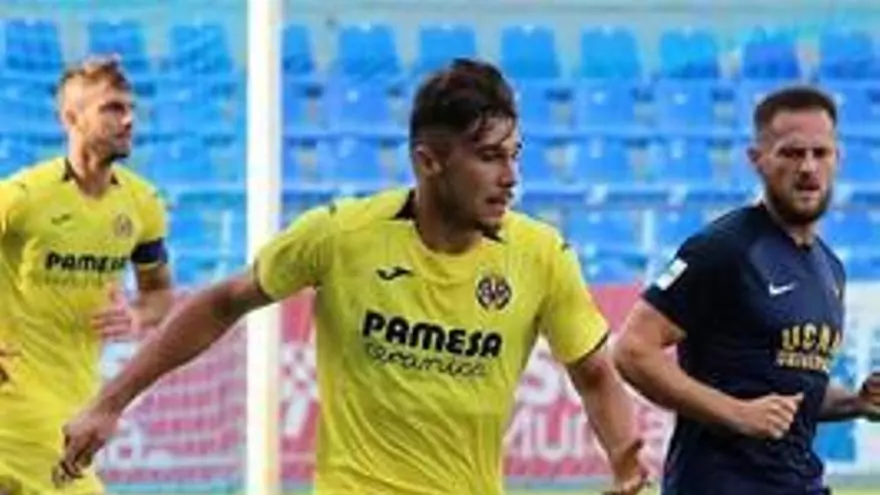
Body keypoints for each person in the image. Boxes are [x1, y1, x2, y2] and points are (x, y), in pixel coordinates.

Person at [56, 58, 649, 494]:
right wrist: (110, 403)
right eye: (489, 157)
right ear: (429, 161)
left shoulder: (541, 255)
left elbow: (595, 374)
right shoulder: (342, 236)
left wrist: (627, 467)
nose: (511, 177)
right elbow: (222, 302)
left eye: (514, 154)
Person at [612, 85, 880, 494]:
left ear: (837, 159)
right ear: (757, 160)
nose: (808, 167)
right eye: (791, 153)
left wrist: (854, 403)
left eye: (820, 153)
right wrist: (736, 413)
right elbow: (632, 350)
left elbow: (793, 391)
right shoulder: (724, 248)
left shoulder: (830, 268)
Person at [0, 57, 175, 494]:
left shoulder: (143, 203)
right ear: (71, 118)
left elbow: (159, 294)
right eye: (112, 108)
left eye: (130, 108)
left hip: (75, 396)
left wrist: (137, 315)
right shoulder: (22, 197)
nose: (128, 120)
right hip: (14, 396)